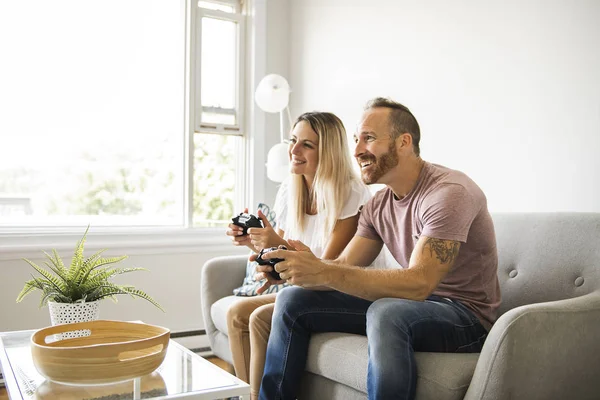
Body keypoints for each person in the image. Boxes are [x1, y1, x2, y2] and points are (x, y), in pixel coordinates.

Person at [257, 98, 501, 400]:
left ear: (404, 142)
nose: (357, 150)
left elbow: (418, 284)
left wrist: (323, 271)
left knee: (387, 312)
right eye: (357, 140)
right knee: (293, 300)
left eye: (369, 139)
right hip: (414, 307)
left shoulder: (448, 193)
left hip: (465, 318)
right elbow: (345, 265)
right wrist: (301, 266)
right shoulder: (378, 205)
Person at [225, 111, 372, 399]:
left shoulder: (352, 193)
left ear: (327, 151)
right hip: (306, 288)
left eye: (307, 144)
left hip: (342, 290)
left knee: (258, 318)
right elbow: (279, 252)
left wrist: (274, 242)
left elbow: (328, 269)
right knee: (235, 314)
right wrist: (252, 243)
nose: (293, 150)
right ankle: (247, 395)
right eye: (293, 140)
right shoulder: (289, 191)